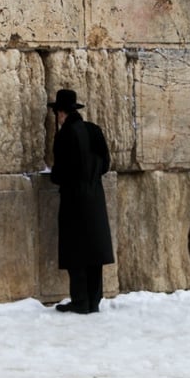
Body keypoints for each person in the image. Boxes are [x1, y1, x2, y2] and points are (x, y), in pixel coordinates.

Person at [48, 88, 114, 314]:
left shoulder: (64, 135)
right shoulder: (94, 131)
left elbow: (60, 173)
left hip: (74, 200)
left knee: (76, 252)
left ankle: (80, 301)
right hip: (94, 197)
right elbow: (105, 164)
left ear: (61, 113)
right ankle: (94, 300)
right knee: (94, 251)